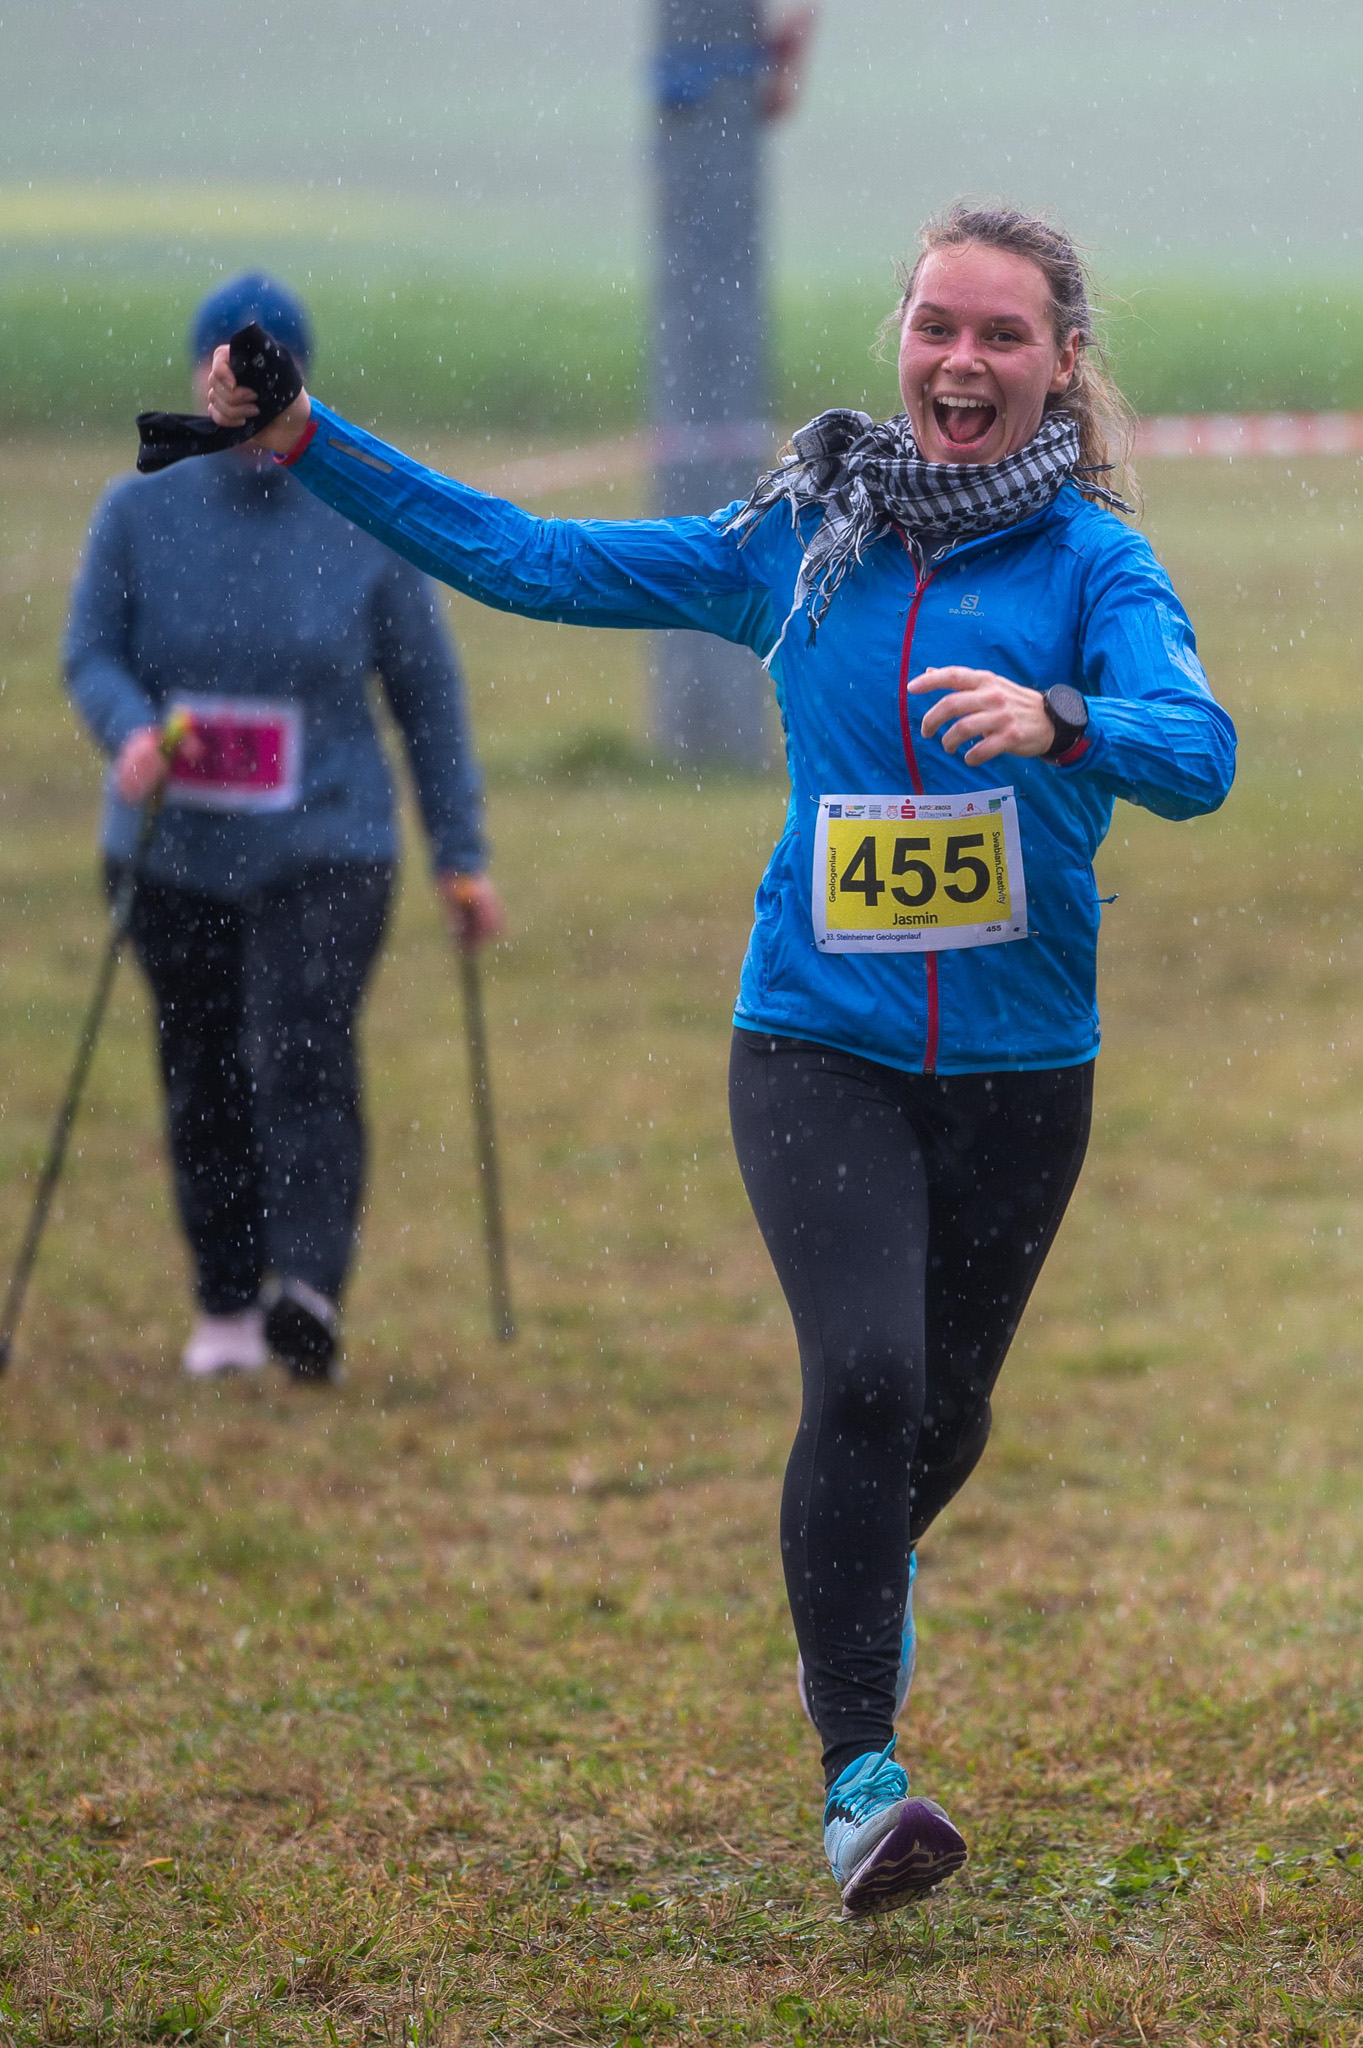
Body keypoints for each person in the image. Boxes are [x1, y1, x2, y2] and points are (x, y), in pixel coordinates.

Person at [201, 207, 1235, 1911]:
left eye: (1000, 335)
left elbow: (1194, 754)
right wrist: (311, 439)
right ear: (899, 340)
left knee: (944, 1409)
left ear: (1060, 363)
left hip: (1022, 1065)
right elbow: (529, 557)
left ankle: (862, 1567)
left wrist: (1065, 720)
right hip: (813, 1045)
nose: (959, 360)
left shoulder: (1092, 570)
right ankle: (860, 1782)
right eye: (934, 325)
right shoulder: (796, 540)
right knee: (868, 1379)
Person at [66, 272, 502, 1385]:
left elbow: (427, 699)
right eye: (222, 375)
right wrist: (128, 729)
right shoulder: (137, 511)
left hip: (328, 844)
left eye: (260, 381)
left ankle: (306, 1291)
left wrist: (460, 854)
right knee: (203, 1066)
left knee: (301, 1052)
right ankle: (224, 1299)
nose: (237, 401)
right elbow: (91, 652)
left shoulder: (359, 516)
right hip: (172, 849)